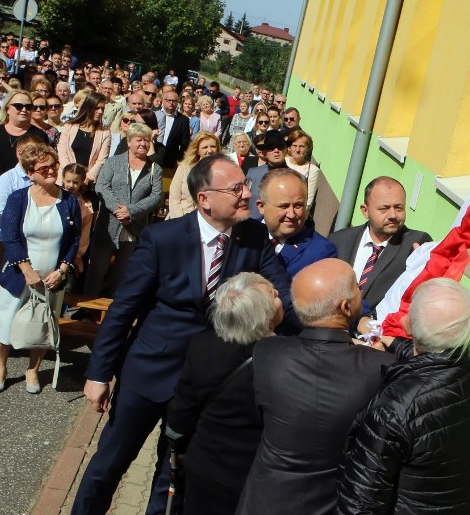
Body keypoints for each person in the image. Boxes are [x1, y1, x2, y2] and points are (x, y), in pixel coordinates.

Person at [71, 154, 300, 515]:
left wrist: (328, 324)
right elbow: (123, 309)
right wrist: (98, 373)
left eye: (246, 184)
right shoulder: (163, 239)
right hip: (148, 374)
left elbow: (283, 294)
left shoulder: (254, 236)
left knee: (172, 477)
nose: (247, 193)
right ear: (204, 199)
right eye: (236, 187)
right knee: (109, 465)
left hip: (204, 384)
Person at [236, 258, 395, 515]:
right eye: (356, 287)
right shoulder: (381, 367)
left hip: (265, 500)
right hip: (330, 501)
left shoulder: (267, 352)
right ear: (345, 306)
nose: (360, 291)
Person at [337, 278, 470, 515]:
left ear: (408, 326)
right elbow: (440, 361)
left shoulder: (394, 409)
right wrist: (393, 344)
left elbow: (360, 506)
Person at [166, 272, 282, 515]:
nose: (280, 296)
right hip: (254, 475)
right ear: (264, 315)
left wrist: (177, 447)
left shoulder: (202, 345)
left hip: (204, 467)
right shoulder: (281, 358)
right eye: (274, 296)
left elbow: (182, 409)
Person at [0, 143, 81, 394]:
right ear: (31, 173)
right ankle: (0, 367)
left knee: (43, 323)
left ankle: (33, 370)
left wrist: (62, 270)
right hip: (19, 274)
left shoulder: (69, 201)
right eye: (44, 167)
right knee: (5, 322)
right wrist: (27, 271)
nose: (52, 170)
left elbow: (74, 240)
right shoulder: (18, 198)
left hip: (52, 277)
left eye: (54, 165)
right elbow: (9, 236)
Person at [0, 90, 48, 305]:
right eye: (19, 106)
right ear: (8, 109)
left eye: (28, 106)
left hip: (23, 199)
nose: (24, 110)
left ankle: (2, 290)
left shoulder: (38, 136)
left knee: (9, 243)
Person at [329, 176, 432, 325]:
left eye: (398, 208)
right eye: (384, 209)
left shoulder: (416, 245)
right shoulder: (339, 241)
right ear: (365, 211)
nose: (392, 215)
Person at [83, 123, 162, 297]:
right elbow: (102, 187)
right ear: (129, 142)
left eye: (147, 140)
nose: (143, 143)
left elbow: (155, 196)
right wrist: (118, 210)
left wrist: (131, 212)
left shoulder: (154, 168)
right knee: (97, 269)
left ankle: (113, 310)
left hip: (133, 227)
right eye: (139, 140)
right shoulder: (113, 162)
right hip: (108, 225)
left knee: (122, 272)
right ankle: (87, 309)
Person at [256, 168, 337, 277]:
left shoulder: (321, 252)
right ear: (261, 206)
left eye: (298, 205)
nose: (291, 214)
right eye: (283, 206)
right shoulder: (241, 233)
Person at [57, 91, 112, 191]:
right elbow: (62, 153)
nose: (100, 111)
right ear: (88, 107)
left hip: (87, 184)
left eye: (102, 109)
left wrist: (86, 178)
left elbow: (102, 160)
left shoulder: (105, 132)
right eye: (97, 107)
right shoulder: (69, 127)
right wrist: (71, 176)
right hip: (66, 182)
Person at [166, 132, 220, 220]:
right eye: (205, 147)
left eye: (213, 147)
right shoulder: (184, 167)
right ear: (197, 151)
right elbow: (174, 198)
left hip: (208, 220)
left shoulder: (222, 171)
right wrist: (180, 220)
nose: (210, 151)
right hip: (180, 216)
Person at [246, 130, 289, 219]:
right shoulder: (252, 174)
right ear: (264, 153)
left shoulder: (298, 178)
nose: (276, 150)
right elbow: (243, 201)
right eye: (271, 147)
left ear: (286, 150)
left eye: (280, 147)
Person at [61, 163, 94, 275]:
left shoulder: (86, 206)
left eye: (75, 182)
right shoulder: (53, 198)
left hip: (71, 257)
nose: (71, 185)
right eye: (68, 181)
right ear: (63, 179)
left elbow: (84, 235)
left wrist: (75, 256)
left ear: (81, 182)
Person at [285, 130, 320, 212]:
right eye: (294, 145)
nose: (297, 149)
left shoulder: (312, 170)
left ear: (307, 148)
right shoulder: (283, 162)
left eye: (301, 146)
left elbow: (308, 202)